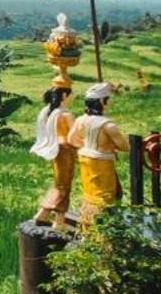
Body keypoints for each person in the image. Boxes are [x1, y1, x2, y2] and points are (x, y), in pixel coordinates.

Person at [67, 82, 128, 219]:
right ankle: (101, 231)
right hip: (102, 163)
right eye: (108, 99)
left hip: (85, 159)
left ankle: (87, 223)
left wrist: (85, 145)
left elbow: (71, 140)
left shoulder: (80, 120)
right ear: (102, 101)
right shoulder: (107, 125)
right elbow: (125, 147)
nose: (110, 102)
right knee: (103, 196)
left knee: (90, 194)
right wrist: (110, 144)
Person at [29, 85, 77, 227]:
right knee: (63, 186)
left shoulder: (50, 113)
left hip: (57, 149)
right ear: (64, 96)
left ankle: (47, 216)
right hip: (66, 150)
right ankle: (55, 219)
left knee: (61, 184)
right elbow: (74, 137)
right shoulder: (66, 115)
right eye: (71, 94)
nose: (73, 97)